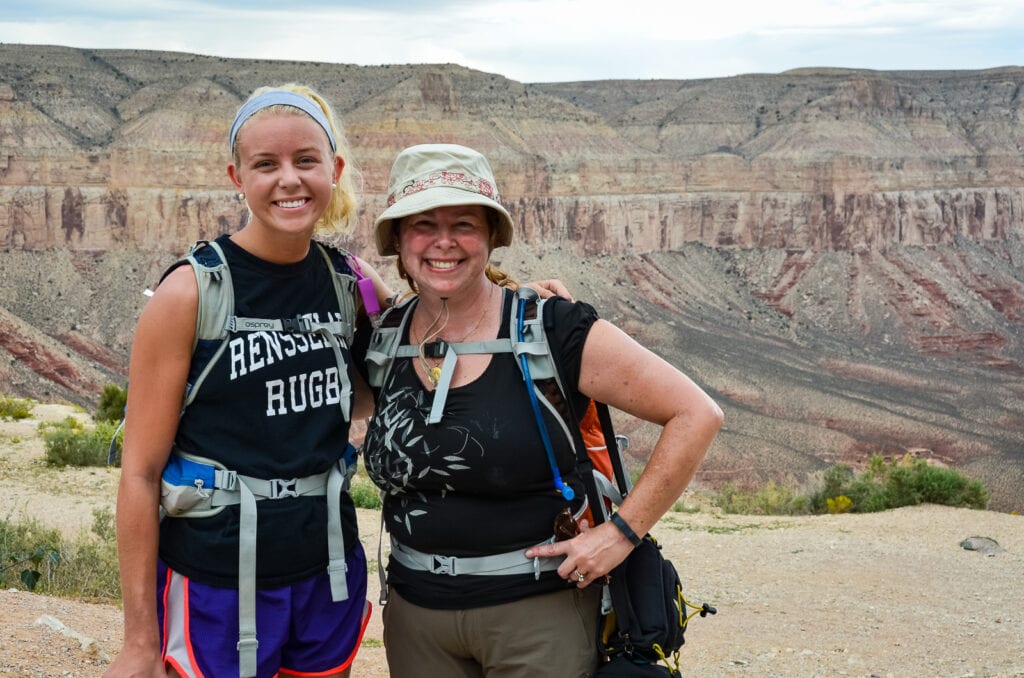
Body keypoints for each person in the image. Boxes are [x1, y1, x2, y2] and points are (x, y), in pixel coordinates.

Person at [106, 86, 569, 678]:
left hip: (327, 574)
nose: (289, 180)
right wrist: (139, 643)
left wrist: (526, 304)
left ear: (335, 170)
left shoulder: (351, 285)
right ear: (236, 175)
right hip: (216, 580)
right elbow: (140, 474)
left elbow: (433, 319)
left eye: (306, 161)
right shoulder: (191, 294)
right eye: (266, 165)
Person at [354, 143, 724, 677]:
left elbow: (696, 413)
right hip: (416, 617)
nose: (443, 241)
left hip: (536, 618)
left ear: (490, 236)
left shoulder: (552, 329)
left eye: (464, 223)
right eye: (422, 224)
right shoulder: (384, 339)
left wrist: (621, 533)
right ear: (397, 240)